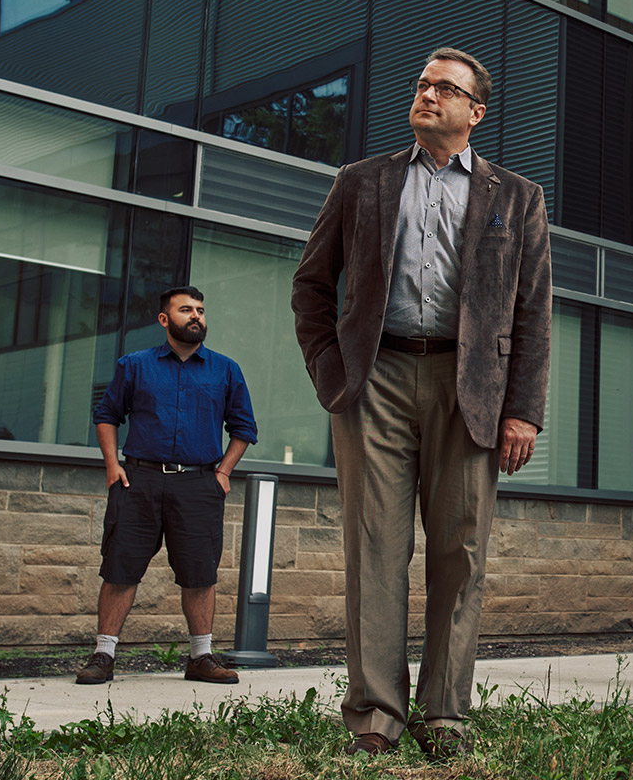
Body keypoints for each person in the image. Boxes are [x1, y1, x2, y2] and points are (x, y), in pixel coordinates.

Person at [291, 47, 552, 759]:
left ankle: (444, 716)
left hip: (468, 391)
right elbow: (312, 286)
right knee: (374, 548)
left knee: (459, 554)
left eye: (446, 89)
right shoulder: (361, 182)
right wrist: (330, 369)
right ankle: (375, 715)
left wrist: (522, 410)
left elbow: (532, 313)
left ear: (476, 111)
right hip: (373, 379)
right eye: (422, 85)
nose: (429, 96)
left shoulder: (517, 197)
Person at [78, 286, 257, 686]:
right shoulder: (135, 365)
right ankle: (103, 656)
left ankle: (201, 658)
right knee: (120, 568)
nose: (196, 316)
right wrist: (112, 465)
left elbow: (244, 428)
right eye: (186, 310)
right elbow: (106, 414)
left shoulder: (225, 370)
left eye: (201, 310)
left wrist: (223, 472)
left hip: (198, 484)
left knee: (199, 573)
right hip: (137, 480)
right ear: (164, 319)